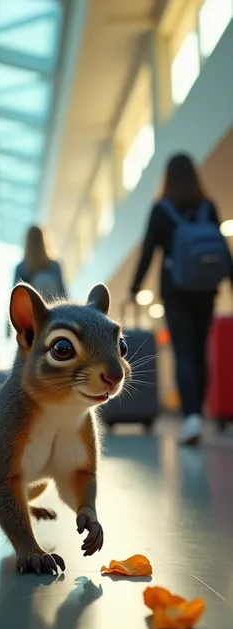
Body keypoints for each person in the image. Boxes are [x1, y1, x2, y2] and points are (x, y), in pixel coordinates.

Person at [128, 153, 233, 445]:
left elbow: (148, 251)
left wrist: (134, 289)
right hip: (206, 292)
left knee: (184, 353)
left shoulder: (162, 210)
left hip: (175, 291)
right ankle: (197, 411)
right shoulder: (207, 207)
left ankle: (191, 418)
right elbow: (223, 250)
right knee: (200, 353)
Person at [8, 225, 67, 338]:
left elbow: (15, 298)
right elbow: (64, 295)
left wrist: (8, 331)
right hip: (57, 318)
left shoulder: (22, 268)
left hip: (33, 324)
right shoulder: (55, 266)